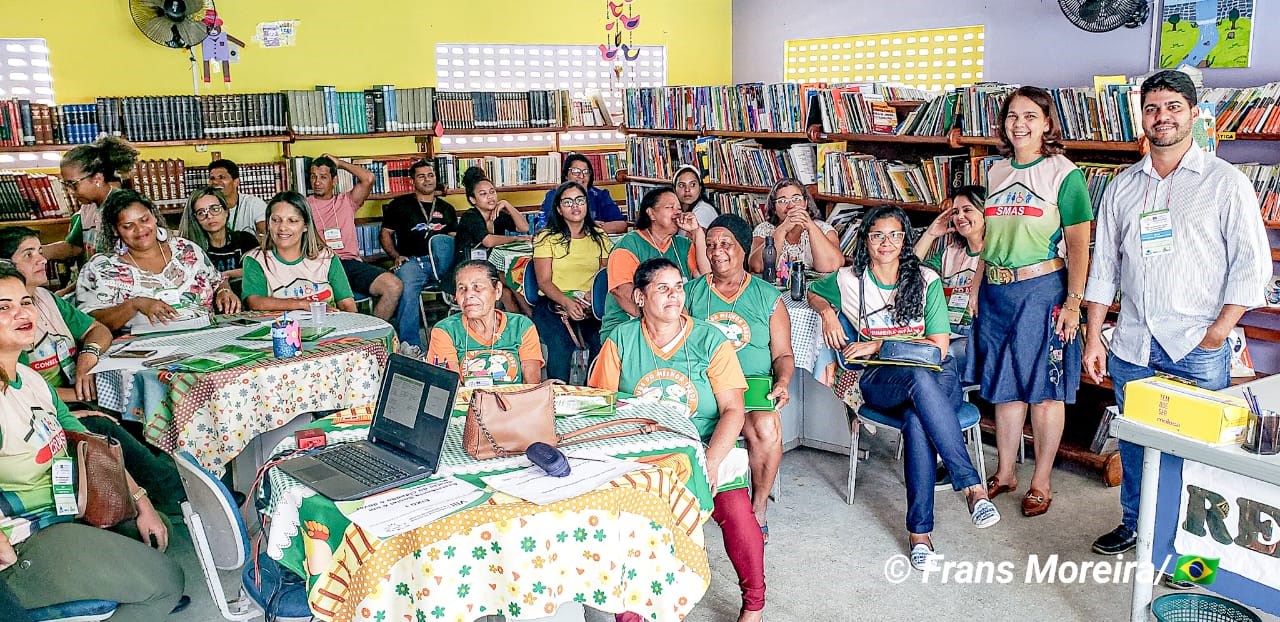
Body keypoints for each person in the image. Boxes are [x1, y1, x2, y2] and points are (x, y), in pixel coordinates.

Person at [1085, 71, 1271, 556]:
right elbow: (1103, 266)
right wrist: (1091, 340)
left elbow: (1251, 267)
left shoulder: (1225, 183)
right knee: (1135, 446)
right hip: (1131, 346)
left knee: (1196, 452)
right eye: (1151, 108)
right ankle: (1134, 524)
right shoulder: (1123, 187)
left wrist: (1218, 333)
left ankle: (1188, 542)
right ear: (1141, 116)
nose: (1161, 117)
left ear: (1192, 113)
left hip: (1196, 347)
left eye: (1172, 107)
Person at [808, 206, 1000, 570]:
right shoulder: (849, 279)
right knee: (916, 382)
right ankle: (972, 487)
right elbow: (814, 292)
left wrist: (879, 343)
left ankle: (920, 534)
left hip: (934, 372)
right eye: (878, 234)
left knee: (916, 418)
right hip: (882, 379)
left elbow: (938, 347)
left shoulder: (925, 279)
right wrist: (828, 312)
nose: (886, 243)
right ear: (866, 239)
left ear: (905, 240)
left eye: (895, 235)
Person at [0, 264, 185, 620]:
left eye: (25, 302)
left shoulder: (29, 378)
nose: (21, 313)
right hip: (24, 534)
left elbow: (87, 440)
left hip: (65, 509)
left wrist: (140, 500)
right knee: (165, 584)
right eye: (2, 307)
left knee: (158, 527)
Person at [588, 258, 763, 622]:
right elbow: (601, 407)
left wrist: (710, 461)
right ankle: (634, 612)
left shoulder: (709, 338)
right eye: (663, 288)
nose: (675, 296)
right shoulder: (621, 339)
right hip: (642, 451)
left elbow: (734, 410)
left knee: (735, 511)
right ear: (639, 297)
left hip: (704, 444)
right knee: (630, 526)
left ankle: (754, 603)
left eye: (679, 287)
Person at [1, 228, 188, 516]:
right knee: (102, 426)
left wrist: (88, 356)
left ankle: (159, 492)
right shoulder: (13, 342)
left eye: (40, 251)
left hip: (63, 395)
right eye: (29, 254)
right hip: (57, 404)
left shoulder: (46, 301)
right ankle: (175, 493)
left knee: (132, 412)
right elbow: (26, 398)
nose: (41, 259)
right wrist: (79, 397)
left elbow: (96, 329)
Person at [971, 86, 1094, 518]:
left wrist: (1075, 303)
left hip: (1043, 292)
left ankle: (1041, 480)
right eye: (1011, 116)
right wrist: (975, 287)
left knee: (1043, 390)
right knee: (1005, 387)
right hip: (996, 292)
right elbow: (989, 241)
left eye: (1029, 116)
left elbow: (1080, 245)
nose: (1018, 124)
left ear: (1046, 123)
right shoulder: (995, 172)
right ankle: (1005, 472)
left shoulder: (1064, 174)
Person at [685, 214, 793, 542]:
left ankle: (757, 507)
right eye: (711, 245)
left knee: (766, 426)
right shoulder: (690, 293)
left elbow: (782, 355)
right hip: (706, 384)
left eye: (726, 244)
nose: (717, 251)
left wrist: (783, 382)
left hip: (753, 382)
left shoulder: (766, 296)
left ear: (743, 249)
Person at [76, 190, 239, 333]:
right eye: (128, 225)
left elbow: (217, 281)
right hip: (142, 351)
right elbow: (89, 323)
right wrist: (134, 305)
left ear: (154, 217)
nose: (140, 229)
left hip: (205, 336)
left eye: (144, 219)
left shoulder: (185, 248)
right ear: (115, 230)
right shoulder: (101, 267)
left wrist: (224, 291)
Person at [600, 186, 708, 340]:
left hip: (676, 327)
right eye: (670, 207)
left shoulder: (683, 245)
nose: (677, 212)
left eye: (679, 208)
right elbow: (624, 295)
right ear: (651, 213)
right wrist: (665, 328)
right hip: (627, 328)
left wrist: (696, 232)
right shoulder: (628, 246)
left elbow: (706, 278)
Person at [531, 181, 612, 382]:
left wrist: (590, 299)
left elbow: (604, 274)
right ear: (558, 208)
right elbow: (544, 281)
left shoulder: (600, 237)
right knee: (561, 346)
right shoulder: (546, 238)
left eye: (579, 200)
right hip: (554, 303)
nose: (575, 206)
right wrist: (567, 303)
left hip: (591, 305)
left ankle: (591, 396)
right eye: (567, 202)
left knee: (603, 341)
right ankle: (558, 396)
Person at [306, 155, 403, 322]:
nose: (317, 182)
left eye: (323, 177)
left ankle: (372, 333)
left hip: (350, 264)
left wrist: (340, 163)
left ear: (334, 180)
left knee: (394, 286)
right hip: (320, 266)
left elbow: (369, 178)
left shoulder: (347, 201)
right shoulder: (303, 205)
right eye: (313, 176)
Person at [380, 160, 458, 357]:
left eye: (430, 175)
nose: (427, 179)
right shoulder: (400, 205)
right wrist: (395, 256)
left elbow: (453, 240)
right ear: (412, 180)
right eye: (421, 176)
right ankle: (410, 344)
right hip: (414, 262)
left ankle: (461, 343)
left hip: (444, 264)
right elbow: (385, 233)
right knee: (405, 282)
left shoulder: (447, 208)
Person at [426, 261, 543, 384]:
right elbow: (451, 386)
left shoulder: (521, 326)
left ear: (497, 290)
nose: (468, 295)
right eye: (462, 288)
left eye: (477, 287)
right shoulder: (445, 331)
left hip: (514, 401)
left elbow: (531, 384)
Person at [242, 192, 357, 313]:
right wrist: (302, 304)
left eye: (292, 221)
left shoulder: (326, 257)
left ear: (306, 225)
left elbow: (347, 304)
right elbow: (254, 302)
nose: (282, 227)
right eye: (276, 220)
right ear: (268, 223)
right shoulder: (256, 259)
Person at [913, 185, 987, 370]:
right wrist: (930, 234)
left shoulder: (999, 254)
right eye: (955, 212)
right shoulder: (950, 253)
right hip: (946, 332)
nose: (959, 217)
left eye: (967, 210)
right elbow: (910, 273)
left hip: (977, 335)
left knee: (942, 355)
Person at [44, 137, 140, 261]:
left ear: (98, 179)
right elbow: (74, 247)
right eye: (65, 185)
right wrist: (36, 252)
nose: (69, 191)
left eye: (73, 184)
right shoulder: (88, 208)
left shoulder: (124, 207)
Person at [451, 167, 530, 312]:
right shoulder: (471, 217)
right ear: (472, 199)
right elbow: (488, 241)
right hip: (468, 268)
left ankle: (520, 325)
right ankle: (531, 315)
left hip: (489, 266)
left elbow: (524, 227)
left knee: (506, 292)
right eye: (483, 194)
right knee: (509, 276)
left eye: (492, 192)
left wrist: (507, 205)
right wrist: (515, 239)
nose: (490, 197)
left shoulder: (496, 214)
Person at [748, 178, 844, 276]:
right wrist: (783, 229)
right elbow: (757, 267)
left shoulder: (824, 229)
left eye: (796, 199)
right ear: (774, 207)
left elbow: (832, 266)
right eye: (783, 200)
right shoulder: (764, 230)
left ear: (805, 203)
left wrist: (810, 226)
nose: (791, 205)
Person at [177, 187, 259, 285]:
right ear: (195, 219)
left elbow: (259, 271)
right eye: (201, 213)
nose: (210, 216)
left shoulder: (246, 240)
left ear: (226, 211)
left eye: (215, 209)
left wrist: (224, 275)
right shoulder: (192, 249)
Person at [538, 153, 628, 234]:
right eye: (576, 171)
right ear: (566, 175)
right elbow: (546, 227)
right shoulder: (553, 196)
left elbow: (621, 225)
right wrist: (587, 227)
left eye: (586, 172)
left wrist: (591, 230)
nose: (581, 176)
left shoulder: (601, 195)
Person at [207, 159, 268, 237]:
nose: (215, 182)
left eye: (221, 177)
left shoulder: (253, 204)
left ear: (236, 182)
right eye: (212, 178)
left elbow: (266, 235)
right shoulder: (206, 207)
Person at [673, 164, 719, 229]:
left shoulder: (704, 210)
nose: (687, 189)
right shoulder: (678, 211)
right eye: (681, 185)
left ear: (700, 188)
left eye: (692, 184)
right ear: (674, 190)